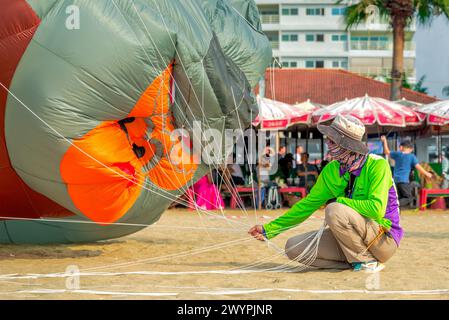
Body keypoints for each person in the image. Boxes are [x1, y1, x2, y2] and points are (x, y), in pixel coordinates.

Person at [249, 115, 403, 272]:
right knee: (292, 248)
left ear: (346, 145)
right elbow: (307, 205)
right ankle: (355, 262)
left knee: (334, 209)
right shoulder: (331, 170)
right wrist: (270, 230)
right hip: (352, 239)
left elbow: (376, 209)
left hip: (383, 239)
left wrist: (341, 202)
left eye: (332, 140)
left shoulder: (377, 165)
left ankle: (366, 261)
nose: (328, 143)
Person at [381, 136, 432, 207]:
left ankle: (394, 209)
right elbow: (418, 167)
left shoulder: (397, 154)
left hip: (395, 181)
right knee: (408, 198)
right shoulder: (411, 157)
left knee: (397, 198)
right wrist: (427, 173)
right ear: (410, 149)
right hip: (404, 181)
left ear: (401, 147)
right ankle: (392, 205)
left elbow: (386, 151)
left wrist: (385, 141)